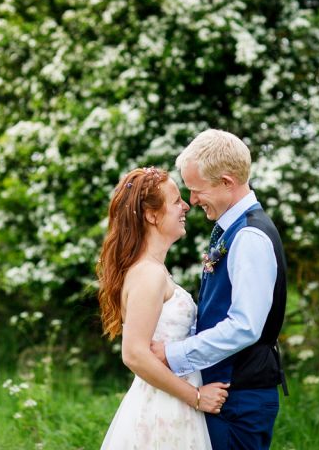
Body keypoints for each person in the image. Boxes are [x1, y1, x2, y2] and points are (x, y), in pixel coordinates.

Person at [150, 129, 288, 450]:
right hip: (228, 392)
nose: (192, 200)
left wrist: (173, 355)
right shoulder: (230, 229)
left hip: (240, 396)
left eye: (197, 190)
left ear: (227, 182)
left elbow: (245, 326)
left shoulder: (250, 236)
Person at [97, 166, 229, 450]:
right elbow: (134, 354)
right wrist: (195, 396)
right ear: (151, 214)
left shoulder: (154, 270)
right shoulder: (148, 275)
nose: (185, 206)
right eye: (175, 201)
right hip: (162, 410)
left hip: (170, 402)